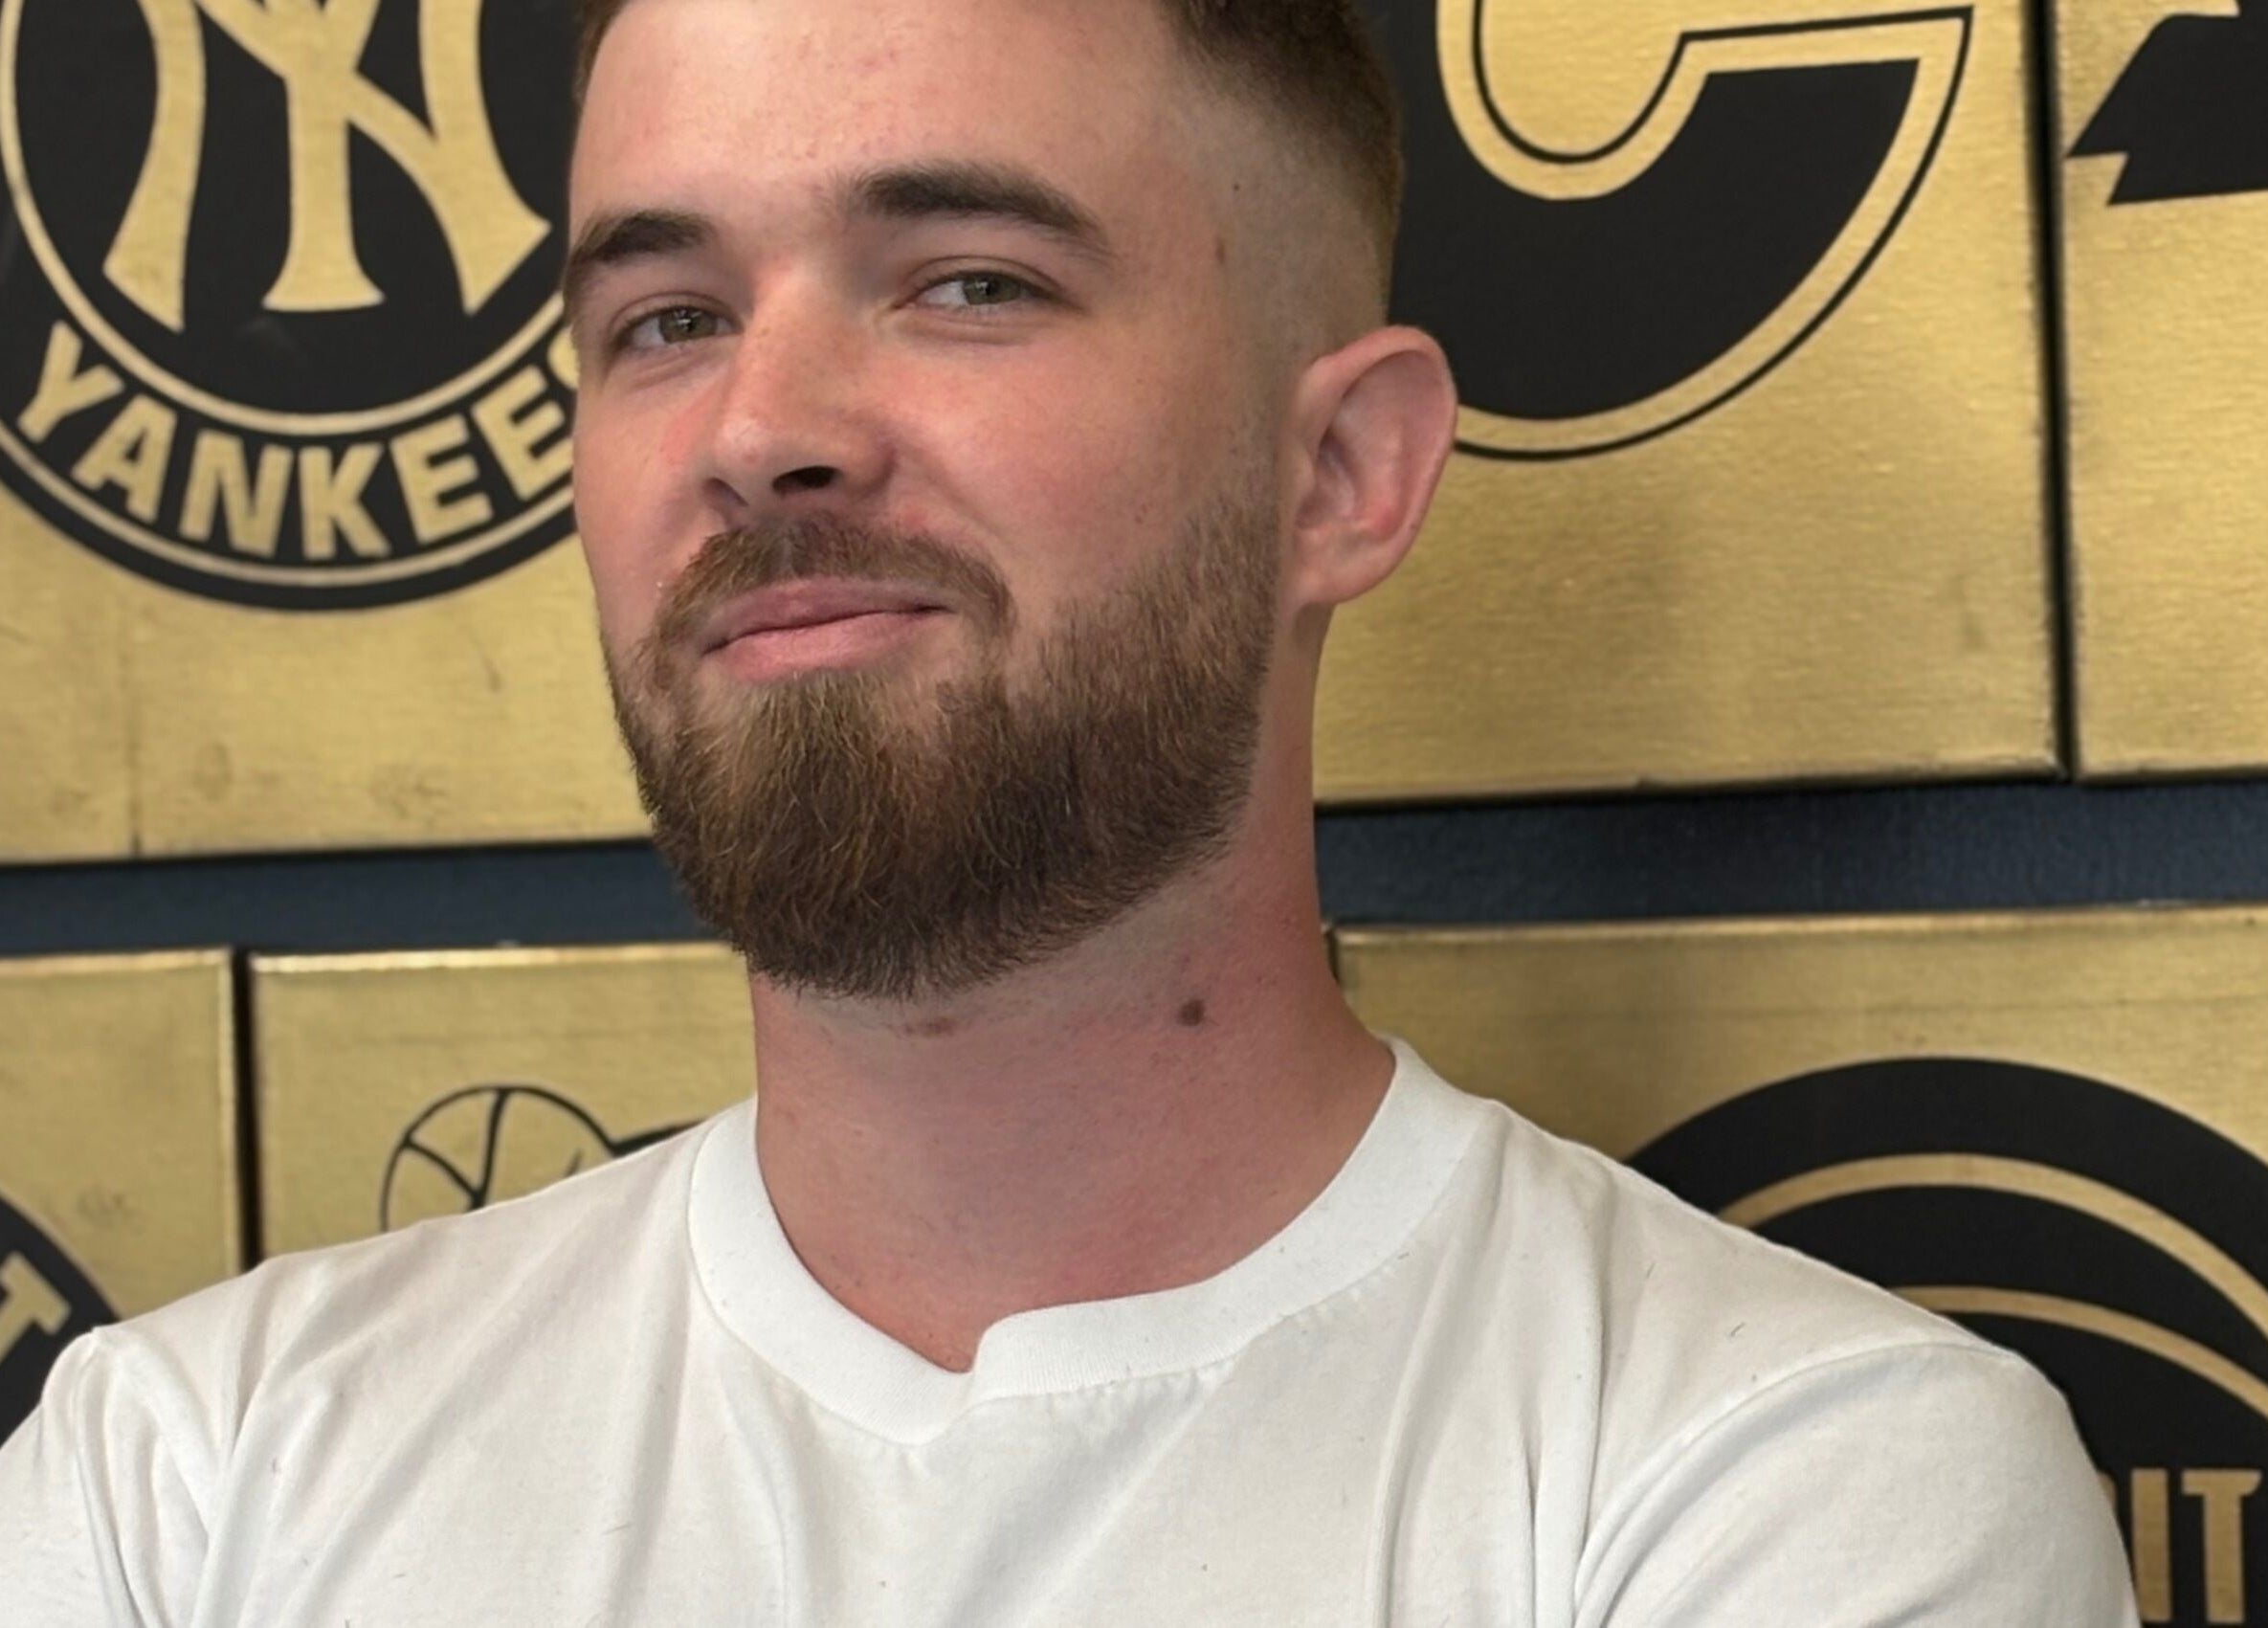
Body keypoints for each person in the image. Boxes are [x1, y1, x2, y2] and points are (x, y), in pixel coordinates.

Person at [1, 0, 2138, 1620]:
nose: (763, 427)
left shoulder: (1776, 1487)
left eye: (967, 281)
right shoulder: (189, 1484)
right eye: (665, 317)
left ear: (1341, 476)